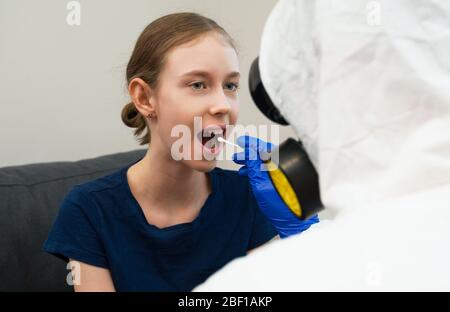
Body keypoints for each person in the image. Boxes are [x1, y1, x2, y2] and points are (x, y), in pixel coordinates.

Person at [42, 12, 316, 292]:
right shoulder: (88, 210)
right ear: (144, 98)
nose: (223, 105)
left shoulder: (250, 198)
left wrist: (301, 239)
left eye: (230, 86)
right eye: (198, 84)